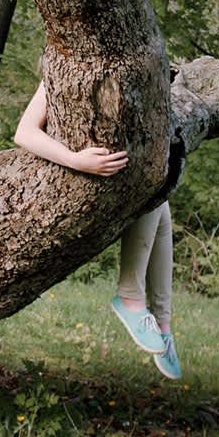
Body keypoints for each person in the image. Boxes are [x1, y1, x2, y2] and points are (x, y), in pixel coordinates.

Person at [14, 81, 182, 380]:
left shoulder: (131, 71)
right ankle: (131, 298)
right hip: (66, 174)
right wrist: (75, 159)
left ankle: (163, 325)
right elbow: (23, 132)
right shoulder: (61, 72)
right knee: (150, 187)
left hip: (106, 177)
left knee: (160, 200)